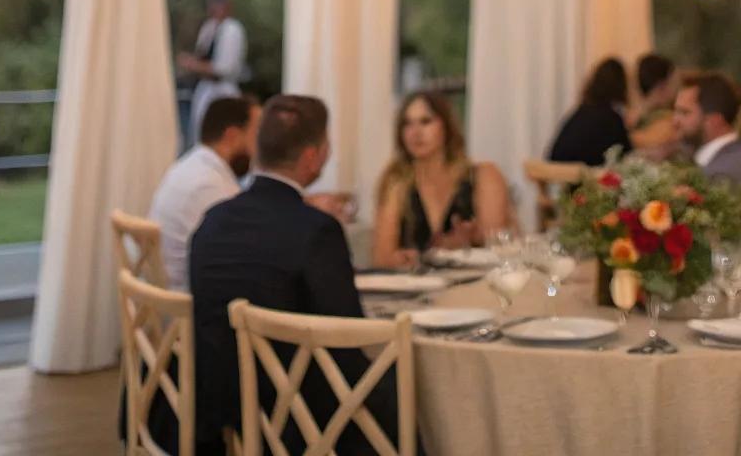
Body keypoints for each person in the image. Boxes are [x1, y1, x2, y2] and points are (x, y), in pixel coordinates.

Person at [190, 94, 407, 456]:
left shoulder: (213, 221)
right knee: (409, 383)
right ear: (312, 157)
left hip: (223, 407)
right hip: (296, 420)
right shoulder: (316, 231)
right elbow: (347, 340)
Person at [372, 91, 512, 267]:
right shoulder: (396, 181)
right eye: (407, 124)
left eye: (426, 121)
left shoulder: (483, 176)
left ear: (446, 126)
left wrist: (473, 239)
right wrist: (406, 259)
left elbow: (498, 246)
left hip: (476, 284)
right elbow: (381, 258)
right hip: (415, 286)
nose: (416, 133)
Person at [149, 94, 260, 291]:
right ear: (232, 136)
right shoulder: (210, 186)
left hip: (164, 299)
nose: (259, 149)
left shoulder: (190, 166)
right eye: (256, 135)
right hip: (186, 308)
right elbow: (243, 258)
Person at [673, 72, 741, 229]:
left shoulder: (721, 175)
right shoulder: (738, 159)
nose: (675, 121)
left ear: (714, 121)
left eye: (684, 113)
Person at [178, 0, 249, 145]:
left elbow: (224, 68)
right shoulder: (209, 27)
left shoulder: (232, 29)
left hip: (222, 89)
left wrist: (193, 65)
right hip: (205, 89)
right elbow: (201, 53)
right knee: (199, 132)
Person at [548, 58, 632, 167]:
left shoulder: (581, 112)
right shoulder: (611, 119)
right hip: (584, 179)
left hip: (558, 177)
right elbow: (627, 155)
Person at [630, 53, 677, 155]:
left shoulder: (629, 120)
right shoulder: (670, 123)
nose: (677, 89)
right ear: (662, 85)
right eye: (673, 82)